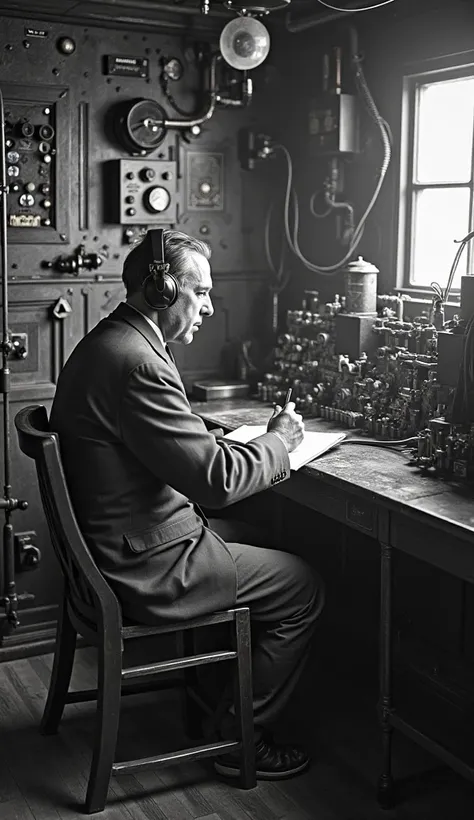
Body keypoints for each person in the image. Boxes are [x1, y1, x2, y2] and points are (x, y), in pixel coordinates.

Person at [50, 228, 325, 780]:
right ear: (162, 290)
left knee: (269, 541)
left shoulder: (114, 342)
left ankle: (214, 699)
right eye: (200, 292)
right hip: (145, 567)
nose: (208, 306)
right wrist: (280, 444)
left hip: (115, 548)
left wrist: (230, 445)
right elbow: (216, 483)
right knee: (302, 585)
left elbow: (174, 447)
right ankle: (238, 735)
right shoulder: (140, 364)